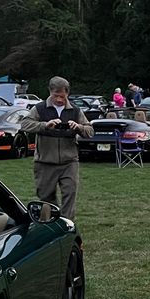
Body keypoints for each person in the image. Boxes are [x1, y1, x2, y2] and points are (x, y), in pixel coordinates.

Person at [20, 76, 94, 220]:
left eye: (63, 96)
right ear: (50, 91)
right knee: (46, 197)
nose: (59, 99)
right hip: (45, 162)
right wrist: (44, 125)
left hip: (69, 162)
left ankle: (67, 224)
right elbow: (25, 124)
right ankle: (50, 222)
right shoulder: (39, 108)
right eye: (56, 95)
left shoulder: (75, 110)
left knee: (70, 194)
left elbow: (90, 131)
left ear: (68, 93)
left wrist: (78, 127)